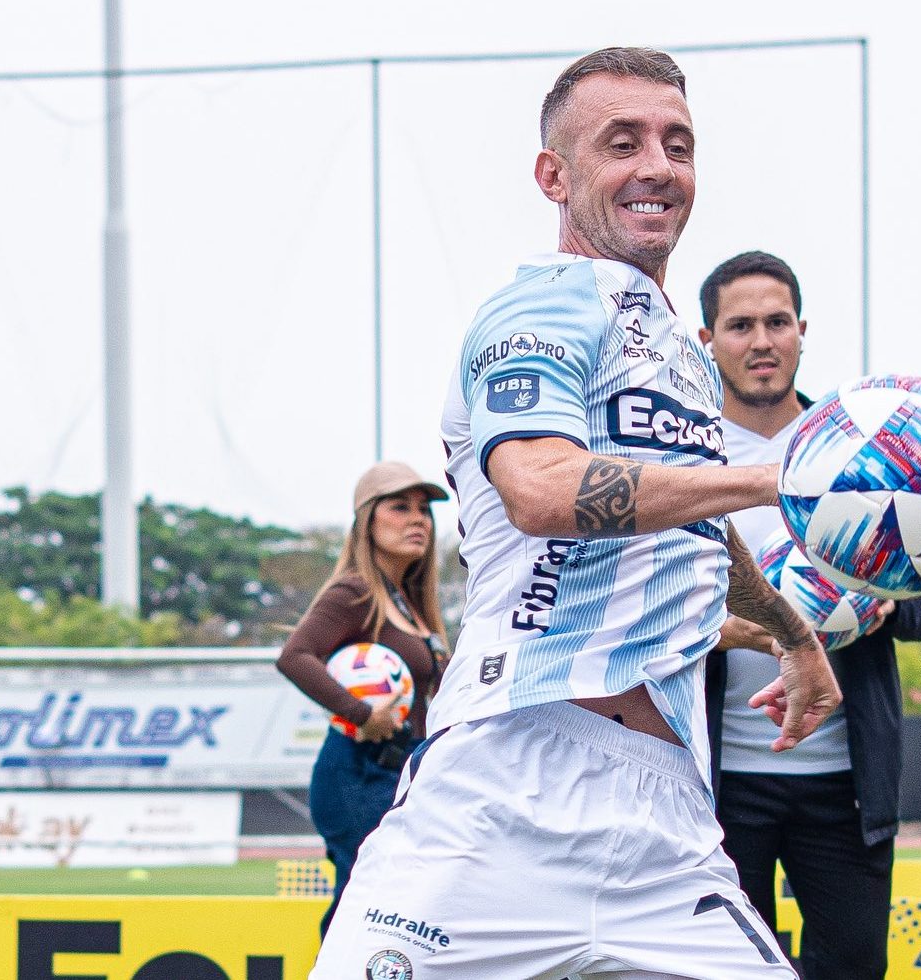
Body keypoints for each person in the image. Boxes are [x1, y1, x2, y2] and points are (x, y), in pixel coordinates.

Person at [310, 48, 842, 979]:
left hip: (668, 824)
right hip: (505, 784)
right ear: (553, 175)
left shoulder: (680, 352)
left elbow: (689, 530)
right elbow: (542, 489)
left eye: (677, 144)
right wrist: (776, 478)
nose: (657, 166)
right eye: (621, 143)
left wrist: (789, 634)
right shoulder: (543, 307)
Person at [697, 250, 921, 980]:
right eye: (740, 325)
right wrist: (732, 628)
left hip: (844, 783)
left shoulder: (860, 449)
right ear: (706, 340)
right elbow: (643, 604)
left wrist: (883, 603)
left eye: (777, 322)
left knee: (852, 967)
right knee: (724, 971)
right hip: (718, 785)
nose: (761, 341)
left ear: (802, 331)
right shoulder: (685, 461)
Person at [276, 460, 451, 937]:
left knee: (396, 910)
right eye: (400, 508)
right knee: (363, 910)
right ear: (367, 520)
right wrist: (361, 713)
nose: (418, 520)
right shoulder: (356, 591)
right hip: (359, 772)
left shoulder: (410, 603)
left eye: (424, 510)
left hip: (400, 775)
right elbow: (295, 656)